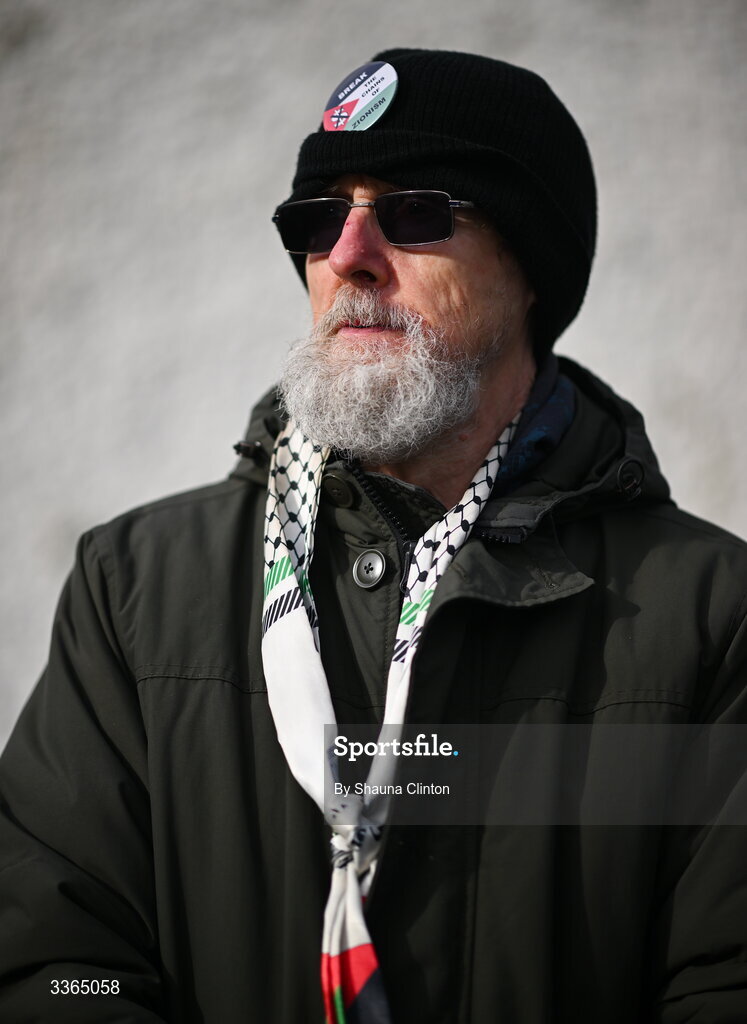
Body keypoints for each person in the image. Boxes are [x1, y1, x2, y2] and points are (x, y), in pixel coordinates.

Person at [1, 46, 746, 1024]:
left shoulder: (707, 616)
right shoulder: (136, 591)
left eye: (414, 212)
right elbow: (63, 965)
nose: (348, 252)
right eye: (318, 220)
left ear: (529, 268)